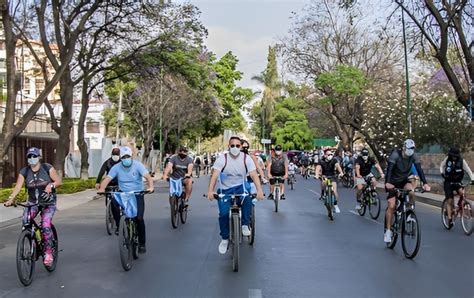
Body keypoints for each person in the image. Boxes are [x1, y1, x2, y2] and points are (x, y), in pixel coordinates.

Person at [4, 147, 62, 266]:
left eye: (34, 156)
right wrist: (11, 199)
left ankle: (48, 251)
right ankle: (33, 241)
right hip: (32, 203)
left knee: (45, 225)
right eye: (29, 157)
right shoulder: (24, 172)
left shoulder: (47, 168)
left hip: (48, 203)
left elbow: (59, 181)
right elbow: (18, 187)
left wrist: (51, 185)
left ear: (39, 157)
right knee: (26, 221)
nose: (32, 159)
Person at [207, 136, 264, 254]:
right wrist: (210, 191)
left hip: (240, 188)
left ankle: (245, 225)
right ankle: (224, 239)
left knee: (248, 198)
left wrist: (259, 190)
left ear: (241, 147)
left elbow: (253, 175)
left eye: (237, 146)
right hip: (225, 190)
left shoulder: (246, 159)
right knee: (223, 215)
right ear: (228, 146)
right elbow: (215, 176)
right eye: (232, 145)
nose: (235, 148)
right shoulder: (222, 159)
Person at [98, 146, 154, 253]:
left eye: (127, 156)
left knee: (139, 218)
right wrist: (101, 188)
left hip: (137, 193)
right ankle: (120, 225)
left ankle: (142, 243)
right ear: (121, 158)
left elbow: (148, 177)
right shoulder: (117, 167)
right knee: (113, 202)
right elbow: (107, 179)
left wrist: (151, 187)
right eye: (123, 157)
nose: (126, 159)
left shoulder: (138, 165)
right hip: (123, 193)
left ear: (131, 156)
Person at [384, 139, 430, 243]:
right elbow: (389, 170)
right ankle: (388, 231)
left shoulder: (413, 156)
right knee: (391, 205)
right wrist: (387, 183)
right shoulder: (395, 155)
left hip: (404, 180)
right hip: (392, 182)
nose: (411, 151)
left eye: (412, 149)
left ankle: (409, 213)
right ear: (404, 148)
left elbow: (419, 169)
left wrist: (425, 183)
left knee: (411, 192)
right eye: (409, 149)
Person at [439, 147, 474, 227]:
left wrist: (472, 179)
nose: (454, 157)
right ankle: (450, 219)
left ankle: (458, 207)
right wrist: (442, 173)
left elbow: (468, 170)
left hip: (457, 182)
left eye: (455, 156)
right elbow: (441, 166)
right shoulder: (447, 159)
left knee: (462, 193)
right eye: (452, 155)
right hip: (448, 182)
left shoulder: (462, 161)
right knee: (450, 200)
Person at [95, 147, 122, 233]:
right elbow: (101, 172)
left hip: (119, 183)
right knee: (108, 198)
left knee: (119, 200)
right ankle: (109, 210)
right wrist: (98, 182)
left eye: (117, 155)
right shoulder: (107, 162)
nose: (115, 156)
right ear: (111, 155)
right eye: (114, 155)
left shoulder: (122, 162)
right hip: (109, 183)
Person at [315, 149, 344, 214]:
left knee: (334, 190)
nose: (330, 156)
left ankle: (335, 205)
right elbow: (318, 168)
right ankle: (323, 194)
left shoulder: (334, 160)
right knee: (323, 183)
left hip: (332, 177)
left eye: (331, 154)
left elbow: (338, 166)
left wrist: (341, 172)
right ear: (325, 155)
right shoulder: (321, 161)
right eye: (328, 154)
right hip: (325, 176)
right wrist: (316, 175)